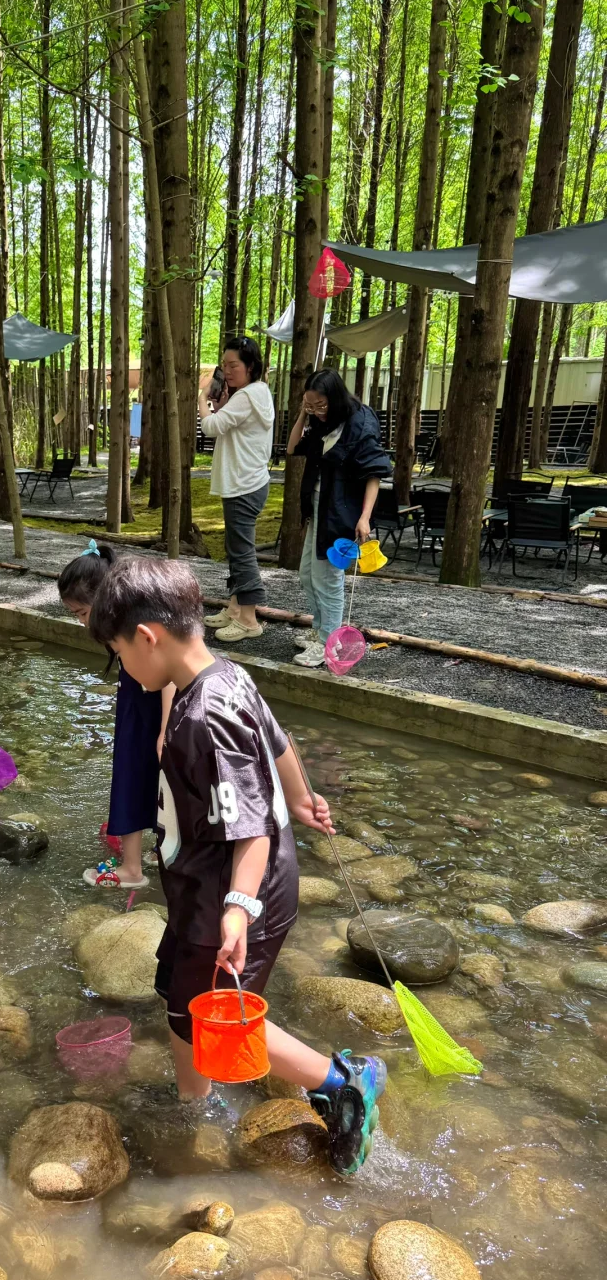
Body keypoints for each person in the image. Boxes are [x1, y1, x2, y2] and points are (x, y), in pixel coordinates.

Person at [88, 556, 387, 1175]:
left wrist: (238, 909)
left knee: (214, 1015)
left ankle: (342, 1081)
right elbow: (278, 743)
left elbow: (249, 832)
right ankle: (193, 1105)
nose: (124, 670)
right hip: (204, 884)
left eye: (120, 654)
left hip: (236, 891)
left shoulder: (206, 716)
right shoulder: (226, 674)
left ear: (148, 637)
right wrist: (301, 797)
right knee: (178, 994)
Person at [58, 542, 174, 890]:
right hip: (137, 707)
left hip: (151, 713)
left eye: (81, 613)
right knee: (151, 781)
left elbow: (168, 676)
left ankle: (132, 868)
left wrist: (164, 731)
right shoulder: (125, 620)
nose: (81, 623)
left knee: (131, 780)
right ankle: (161, 850)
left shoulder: (135, 623)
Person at [286, 369, 390, 668]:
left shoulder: (360, 423)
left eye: (321, 405)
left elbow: (374, 474)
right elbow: (293, 448)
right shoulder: (321, 422)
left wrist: (365, 517)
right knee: (307, 574)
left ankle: (328, 643)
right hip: (318, 504)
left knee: (328, 578)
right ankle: (321, 630)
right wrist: (304, 416)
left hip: (343, 509)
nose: (317, 411)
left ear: (336, 398)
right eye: (311, 404)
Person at [199, 336, 275, 644]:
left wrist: (202, 401)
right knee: (236, 549)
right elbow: (229, 425)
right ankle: (234, 609)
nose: (228, 371)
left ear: (251, 367)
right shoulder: (255, 394)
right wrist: (221, 407)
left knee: (243, 553)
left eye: (234, 365)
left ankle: (249, 619)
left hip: (244, 484)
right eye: (225, 365)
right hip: (246, 482)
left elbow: (211, 428)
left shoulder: (248, 396)